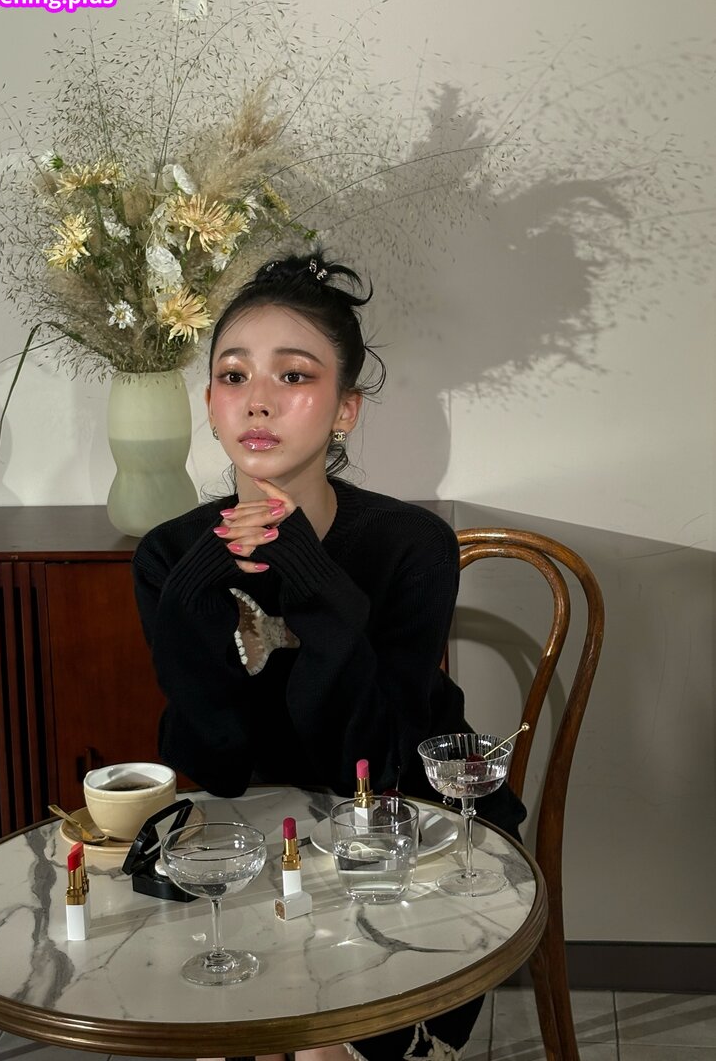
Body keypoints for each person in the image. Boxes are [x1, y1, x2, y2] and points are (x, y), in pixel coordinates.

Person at [133, 252, 525, 1061]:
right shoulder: (172, 556)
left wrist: (309, 573)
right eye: (233, 376)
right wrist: (194, 590)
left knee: (322, 1045)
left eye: (294, 375)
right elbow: (216, 763)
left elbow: (369, 761)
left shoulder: (410, 545)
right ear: (210, 406)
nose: (259, 400)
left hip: (409, 817)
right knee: (217, 1019)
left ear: (346, 409)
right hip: (251, 827)